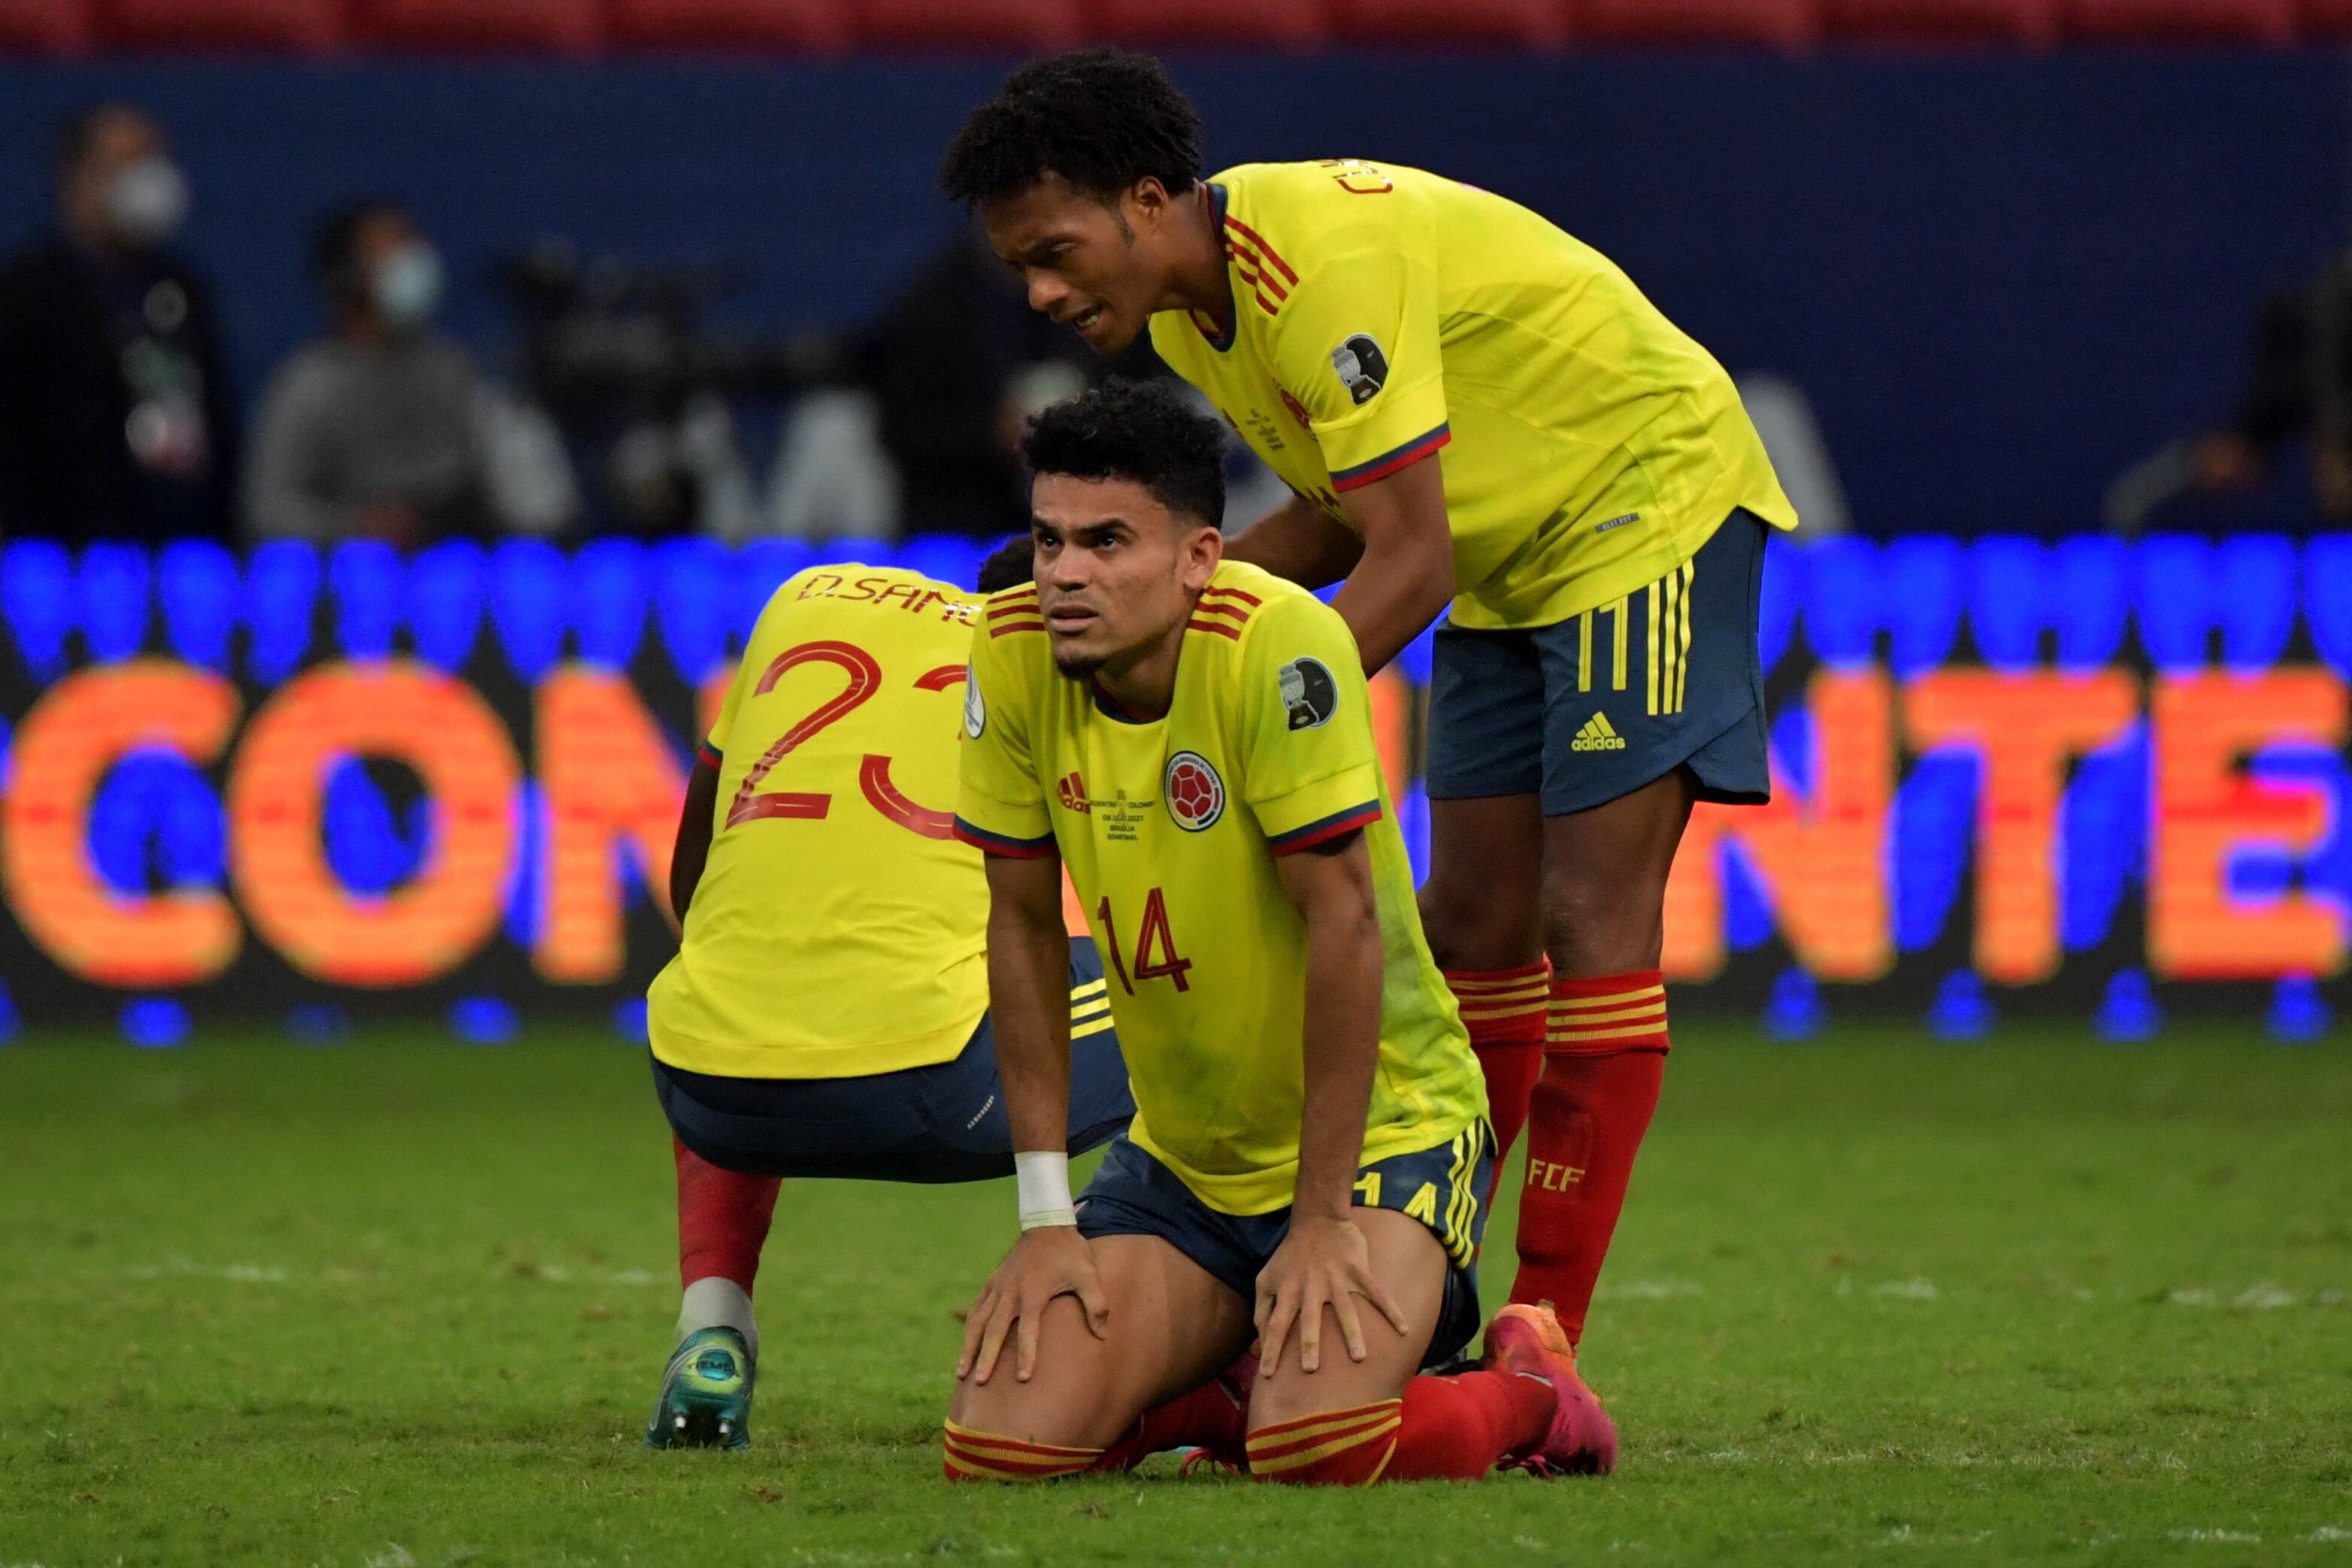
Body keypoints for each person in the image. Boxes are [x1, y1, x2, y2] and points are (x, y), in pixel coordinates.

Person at [941, 50, 1800, 1433]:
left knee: (1588, 913)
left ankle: (1542, 1333)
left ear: (1149, 201)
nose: (1038, 293)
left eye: (1052, 252)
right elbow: (1337, 522)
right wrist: (1169, 605)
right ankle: (1420, 1283)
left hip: (1641, 496)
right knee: (1470, 918)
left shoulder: (1310, 265)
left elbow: (1400, 549)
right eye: (1019, 269)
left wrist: (1233, 720)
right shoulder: (1184, 319)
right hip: (1501, 553)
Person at [943, 379, 1613, 1487]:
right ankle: (1212, 1388)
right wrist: (1045, 1216)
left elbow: (1344, 932)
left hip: (1380, 1143)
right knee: (1001, 1445)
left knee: (1321, 1445)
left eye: (1108, 541)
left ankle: (1534, 1397)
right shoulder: (1013, 650)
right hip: (1186, 1163)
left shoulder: (1278, 650)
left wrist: (1318, 1217)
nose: (1065, 573)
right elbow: (1016, 927)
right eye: (1050, 538)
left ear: (1200, 557)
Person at [643, 540, 1133, 1449]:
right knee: (1191, 981)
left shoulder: (804, 597)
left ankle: (711, 1329)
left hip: (698, 1086)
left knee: (736, 964)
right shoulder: (1062, 666)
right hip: (939, 1092)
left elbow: (693, 873)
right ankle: (1155, 1349)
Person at [0, 102, 237, 543]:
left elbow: (215, 423)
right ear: (77, 180)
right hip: (60, 556)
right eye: (130, 162)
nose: (151, 177)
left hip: (176, 552)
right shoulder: (25, 293)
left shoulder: (183, 288)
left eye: (156, 159)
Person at [244, 201, 492, 546]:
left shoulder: (453, 371)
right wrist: (355, 525)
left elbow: (510, 490)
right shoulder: (310, 384)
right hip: (348, 580)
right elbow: (267, 511)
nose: (415, 259)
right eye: (396, 248)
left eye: (414, 243)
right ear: (348, 276)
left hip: (452, 577)